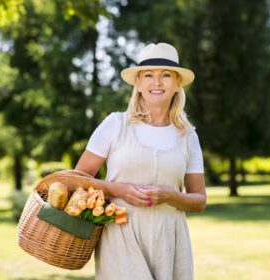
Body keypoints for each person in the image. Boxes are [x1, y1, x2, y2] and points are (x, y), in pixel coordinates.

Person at [75, 42, 207, 280]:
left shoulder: (188, 136)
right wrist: (119, 190)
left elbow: (199, 200)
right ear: (138, 83)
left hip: (170, 241)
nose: (156, 82)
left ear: (177, 84)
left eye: (166, 75)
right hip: (120, 236)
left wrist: (170, 195)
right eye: (148, 75)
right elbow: (78, 178)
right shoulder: (115, 125)